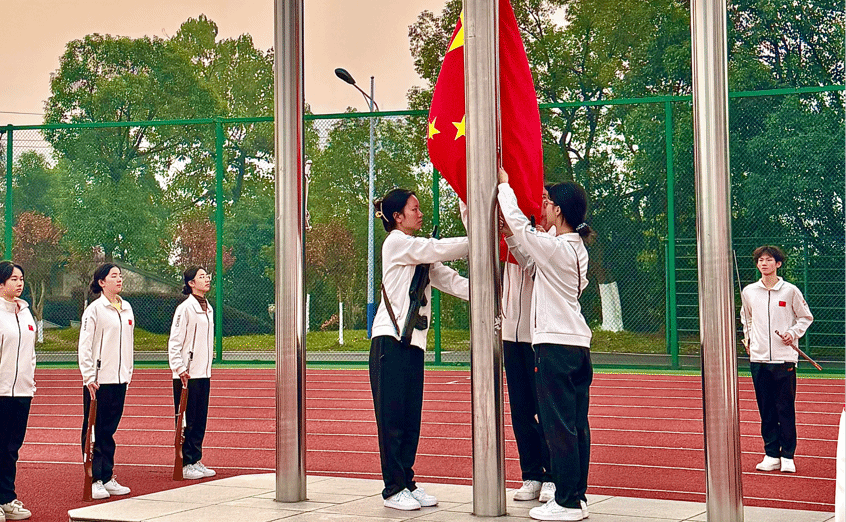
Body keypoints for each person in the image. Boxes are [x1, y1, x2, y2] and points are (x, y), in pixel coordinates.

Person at [498, 169, 594, 521]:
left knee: (560, 427)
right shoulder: (572, 249)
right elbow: (532, 263)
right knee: (576, 426)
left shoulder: (557, 248)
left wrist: (505, 186)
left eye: (548, 202)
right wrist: (511, 239)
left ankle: (567, 502)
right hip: (576, 346)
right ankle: (576, 496)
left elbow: (523, 229)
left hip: (555, 347)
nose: (544, 206)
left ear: (559, 211)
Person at [369, 188, 469, 511]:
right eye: (414, 209)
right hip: (389, 341)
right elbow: (435, 248)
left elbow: (450, 280)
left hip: (412, 343)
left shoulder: (418, 252)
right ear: (398, 217)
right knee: (392, 419)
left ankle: (407, 481)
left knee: (411, 418)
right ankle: (393, 488)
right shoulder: (397, 243)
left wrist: (491, 290)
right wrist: (478, 239)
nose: (420, 213)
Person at [501, 187, 554, 503]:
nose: (541, 201)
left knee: (543, 409)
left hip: (538, 336)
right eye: (539, 195)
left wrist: (514, 236)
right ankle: (531, 474)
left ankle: (551, 476)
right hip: (511, 333)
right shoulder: (512, 235)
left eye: (546, 198)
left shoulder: (550, 240)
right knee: (521, 410)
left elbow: (531, 266)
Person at [740, 245, 813, 474]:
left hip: (784, 360)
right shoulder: (749, 292)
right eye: (760, 260)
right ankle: (771, 454)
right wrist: (749, 340)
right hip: (759, 359)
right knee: (766, 410)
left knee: (785, 408)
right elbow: (747, 319)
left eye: (769, 260)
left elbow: (805, 317)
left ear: (778, 264)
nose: (764, 263)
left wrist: (792, 333)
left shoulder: (790, 291)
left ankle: (788, 456)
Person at [79, 263, 134, 500]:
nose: (119, 279)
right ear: (102, 282)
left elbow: (128, 344)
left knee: (109, 431)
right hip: (98, 381)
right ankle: (94, 478)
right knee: (95, 429)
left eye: (120, 275)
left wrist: (128, 372)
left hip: (119, 379)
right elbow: (85, 345)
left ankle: (107, 475)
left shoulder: (127, 308)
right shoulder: (94, 310)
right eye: (114, 276)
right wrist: (89, 376)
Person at [168, 266, 216, 480]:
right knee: (187, 419)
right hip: (187, 374)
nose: (207, 280)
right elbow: (175, 341)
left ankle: (195, 459)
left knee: (199, 418)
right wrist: (179, 368)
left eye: (207, 276)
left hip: (203, 373)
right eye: (201, 277)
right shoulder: (184, 309)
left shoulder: (208, 308)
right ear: (191, 283)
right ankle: (185, 462)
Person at [0, 262, 35, 520]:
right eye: (13, 279)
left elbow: (30, 354)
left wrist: (29, 381)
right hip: (1, 392)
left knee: (11, 449)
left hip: (22, 392)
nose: (19, 283)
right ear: (1, 284)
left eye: (21, 278)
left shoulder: (25, 313)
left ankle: (6, 498)